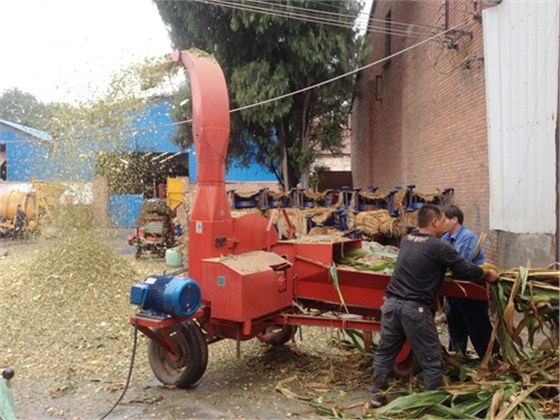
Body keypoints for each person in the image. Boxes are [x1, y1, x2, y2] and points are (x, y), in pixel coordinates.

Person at [370, 204, 499, 407]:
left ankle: (377, 396)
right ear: (435, 222)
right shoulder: (439, 246)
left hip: (391, 304)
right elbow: (464, 270)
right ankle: (433, 404)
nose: (444, 224)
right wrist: (487, 274)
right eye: (442, 220)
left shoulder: (407, 240)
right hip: (414, 309)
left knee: (385, 352)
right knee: (431, 358)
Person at [442, 205, 499, 359]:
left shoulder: (467, 237)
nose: (442, 222)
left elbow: (460, 265)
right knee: (455, 323)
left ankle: (493, 358)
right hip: (455, 289)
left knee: (477, 325)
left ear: (455, 220)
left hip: (471, 289)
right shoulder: (446, 238)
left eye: (445, 219)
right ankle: (458, 357)